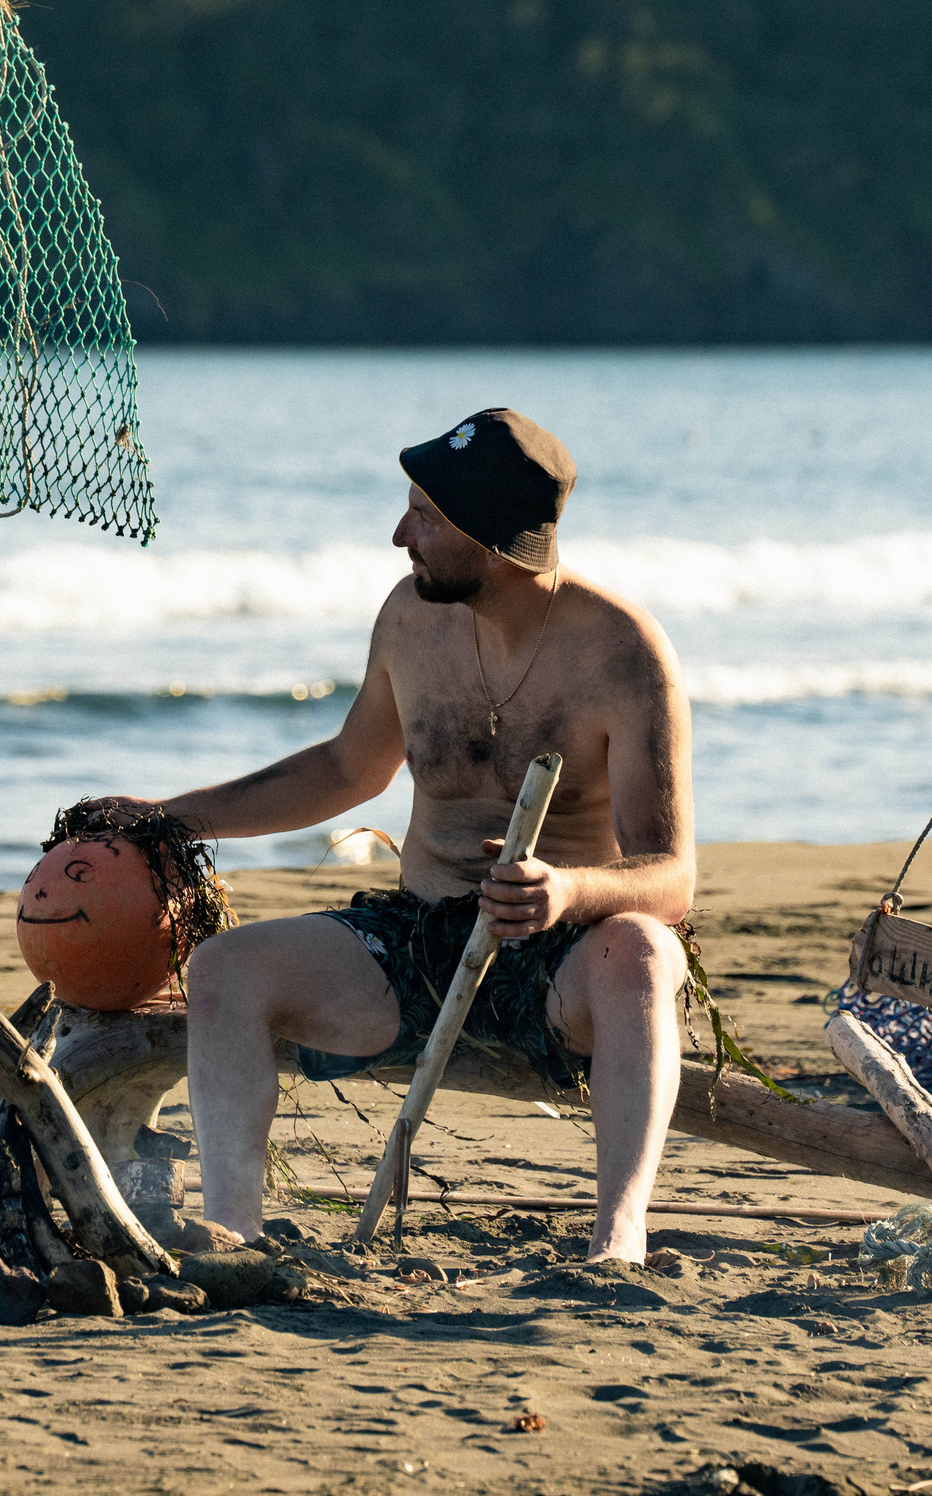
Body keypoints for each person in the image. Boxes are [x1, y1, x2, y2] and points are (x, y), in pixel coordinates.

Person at [104, 407, 694, 1264]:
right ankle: (235, 1234)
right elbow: (348, 768)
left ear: (489, 537)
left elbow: (670, 878)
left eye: (423, 513)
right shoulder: (411, 620)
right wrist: (172, 818)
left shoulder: (623, 652)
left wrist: (565, 890)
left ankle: (618, 1235)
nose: (398, 533)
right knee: (226, 967)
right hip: (417, 942)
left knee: (641, 950)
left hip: (563, 962)